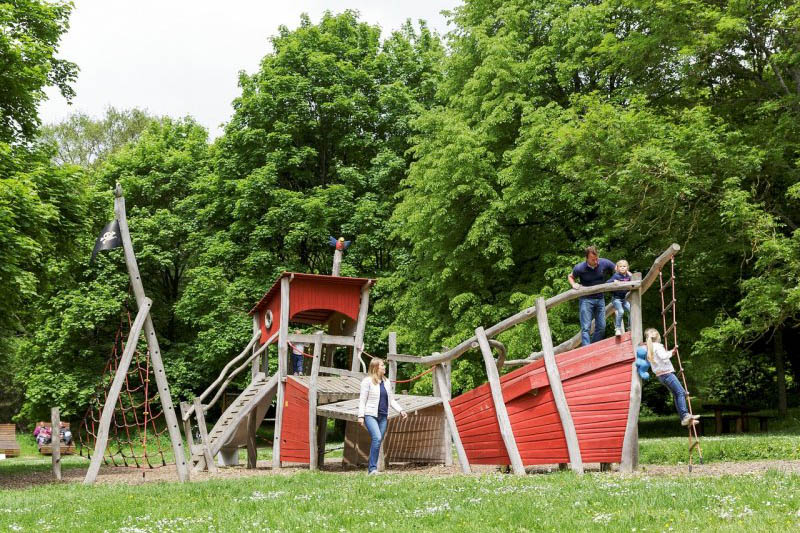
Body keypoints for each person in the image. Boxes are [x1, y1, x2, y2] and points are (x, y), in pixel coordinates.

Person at [357, 358, 407, 475]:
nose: (384, 367)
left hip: (383, 416)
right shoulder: (367, 381)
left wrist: (401, 410)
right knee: (377, 438)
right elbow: (362, 400)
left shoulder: (386, 382)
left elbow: (391, 400)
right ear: (376, 368)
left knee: (378, 441)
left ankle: (372, 468)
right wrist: (361, 416)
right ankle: (372, 469)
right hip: (370, 414)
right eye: (382, 365)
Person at [644, 328, 699, 427]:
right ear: (657, 337)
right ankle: (685, 416)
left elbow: (660, 357)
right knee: (681, 393)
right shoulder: (657, 346)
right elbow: (663, 356)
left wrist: (669, 353)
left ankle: (684, 418)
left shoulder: (650, 347)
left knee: (677, 394)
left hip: (661, 375)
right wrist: (672, 352)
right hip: (667, 374)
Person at [568, 246, 616, 345]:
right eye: (593, 259)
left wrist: (613, 280)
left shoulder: (603, 262)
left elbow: (617, 268)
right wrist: (574, 284)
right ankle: (587, 349)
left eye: (596, 258)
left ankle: (594, 346)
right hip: (586, 299)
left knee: (602, 327)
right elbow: (570, 276)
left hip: (600, 298)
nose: (596, 261)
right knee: (586, 327)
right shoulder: (580, 267)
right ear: (587, 258)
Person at [608, 259, 632, 336]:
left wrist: (629, 273)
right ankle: (617, 329)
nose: (622, 268)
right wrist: (613, 282)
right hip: (616, 299)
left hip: (624, 299)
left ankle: (630, 327)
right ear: (617, 268)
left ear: (627, 268)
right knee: (621, 311)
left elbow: (635, 278)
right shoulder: (616, 276)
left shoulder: (628, 276)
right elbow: (607, 283)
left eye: (624, 266)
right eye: (620, 266)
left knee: (631, 310)